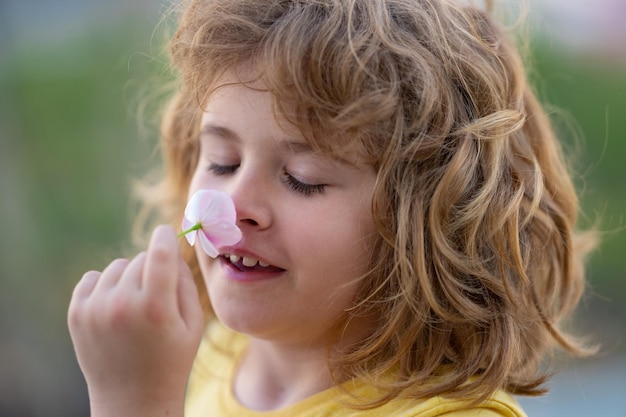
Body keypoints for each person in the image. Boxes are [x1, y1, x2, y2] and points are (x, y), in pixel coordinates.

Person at [67, 0, 598, 416]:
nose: (236, 205)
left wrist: (134, 403)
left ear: (421, 223)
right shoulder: (211, 354)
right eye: (223, 162)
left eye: (302, 180)